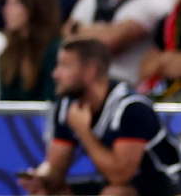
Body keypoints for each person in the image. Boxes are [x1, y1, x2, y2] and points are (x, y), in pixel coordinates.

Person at [19, 39, 181, 196]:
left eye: (65, 66)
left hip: (165, 184)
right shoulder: (66, 107)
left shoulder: (131, 108)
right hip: (118, 184)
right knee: (45, 193)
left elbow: (120, 176)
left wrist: (83, 131)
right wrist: (42, 178)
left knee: (114, 193)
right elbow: (56, 168)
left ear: (90, 71)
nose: (55, 74)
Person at [0, 0, 61, 101]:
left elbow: (50, 102)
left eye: (15, 3)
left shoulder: (54, 51)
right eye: (7, 3)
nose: (6, 10)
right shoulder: (8, 50)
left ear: (34, 7)